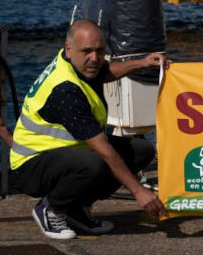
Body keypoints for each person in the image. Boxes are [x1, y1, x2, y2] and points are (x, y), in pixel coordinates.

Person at [10, 20, 170, 240]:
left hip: (66, 151)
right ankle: (51, 209)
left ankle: (76, 210)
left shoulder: (76, 63)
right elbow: (102, 148)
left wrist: (143, 63)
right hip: (31, 163)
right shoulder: (65, 91)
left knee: (141, 151)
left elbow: (106, 71)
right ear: (69, 48)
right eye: (87, 51)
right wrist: (139, 191)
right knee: (95, 163)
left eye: (100, 51)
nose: (94, 58)